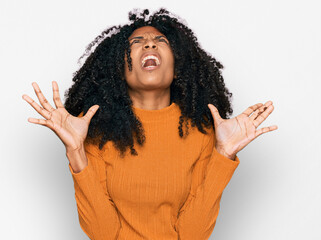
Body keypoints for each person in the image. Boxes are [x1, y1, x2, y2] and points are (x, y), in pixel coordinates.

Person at [22, 8, 278, 240]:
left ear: (177, 67)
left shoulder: (202, 133)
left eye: (160, 41)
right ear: (119, 69)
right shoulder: (98, 133)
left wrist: (224, 154)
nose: (149, 45)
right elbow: (103, 234)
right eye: (137, 42)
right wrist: (76, 151)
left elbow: (192, 234)